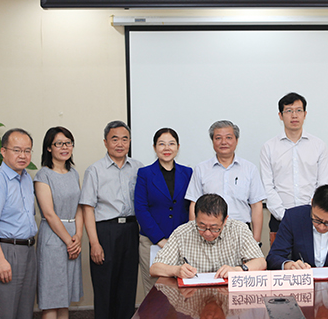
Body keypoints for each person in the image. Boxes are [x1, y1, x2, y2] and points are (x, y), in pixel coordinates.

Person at [79, 121, 143, 319]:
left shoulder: (138, 168)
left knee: (128, 286)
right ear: (105, 142)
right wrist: (94, 243)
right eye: (114, 139)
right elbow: (87, 208)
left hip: (131, 230)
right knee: (104, 287)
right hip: (105, 232)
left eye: (125, 139)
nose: (120, 144)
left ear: (130, 142)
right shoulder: (95, 170)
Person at [0, 128, 37, 319]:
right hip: (5, 250)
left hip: (28, 251)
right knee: (2, 311)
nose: (23, 155)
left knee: (25, 311)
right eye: (17, 150)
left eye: (27, 151)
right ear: (3, 151)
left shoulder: (26, 179)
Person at [261, 92, 328, 245]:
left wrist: (311, 212)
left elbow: (323, 183)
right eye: (288, 111)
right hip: (280, 219)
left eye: (298, 110)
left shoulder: (319, 146)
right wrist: (283, 215)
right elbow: (267, 186)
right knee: (280, 258)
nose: (294, 115)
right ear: (280, 115)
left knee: (312, 259)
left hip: (313, 219)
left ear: (305, 114)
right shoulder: (269, 147)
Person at [185, 120, 266, 243]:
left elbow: (256, 206)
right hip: (209, 232)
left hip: (241, 232)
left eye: (228, 137)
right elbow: (194, 204)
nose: (223, 142)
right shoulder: (201, 169)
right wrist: (194, 238)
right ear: (212, 141)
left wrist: (256, 240)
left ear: (236, 140)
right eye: (218, 138)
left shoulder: (249, 169)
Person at [150, 193, 266, 279]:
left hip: (228, 297)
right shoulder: (182, 233)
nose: (207, 233)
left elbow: (261, 262)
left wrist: (238, 270)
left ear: (225, 220)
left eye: (214, 228)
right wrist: (176, 270)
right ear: (195, 218)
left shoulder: (239, 230)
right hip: (193, 297)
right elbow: (155, 268)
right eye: (201, 226)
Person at [135, 128, 193, 295]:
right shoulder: (145, 173)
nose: (167, 148)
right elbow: (141, 209)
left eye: (171, 144)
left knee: (183, 291)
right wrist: (160, 240)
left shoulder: (187, 173)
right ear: (154, 147)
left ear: (178, 147)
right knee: (155, 292)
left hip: (182, 242)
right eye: (161, 144)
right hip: (152, 241)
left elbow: (191, 206)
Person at [34, 126, 83, 319]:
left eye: (68, 143)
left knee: (65, 299)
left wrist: (78, 235)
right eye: (59, 144)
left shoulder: (74, 174)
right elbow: (49, 213)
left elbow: (79, 207)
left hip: (72, 237)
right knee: (51, 298)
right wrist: (69, 241)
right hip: (53, 238)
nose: (65, 147)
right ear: (49, 148)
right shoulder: (43, 175)